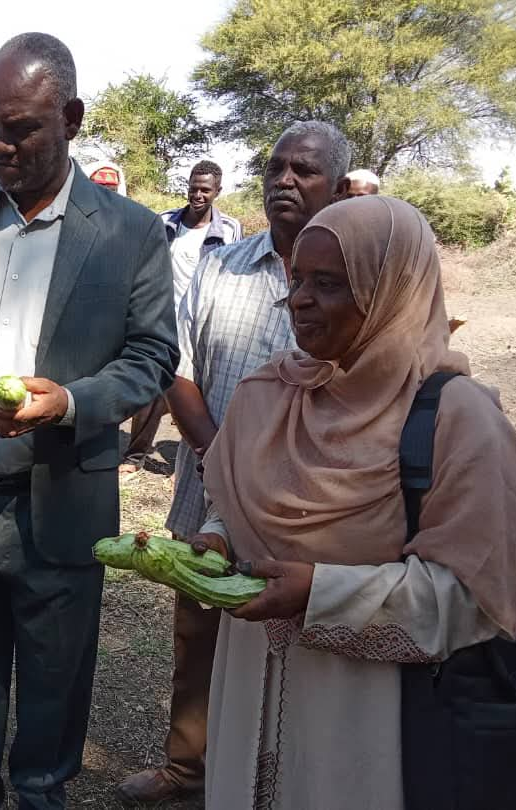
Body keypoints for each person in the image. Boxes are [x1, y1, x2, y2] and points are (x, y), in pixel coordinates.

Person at [0, 33, 178, 810]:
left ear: (72, 117)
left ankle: (41, 794)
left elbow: (152, 356)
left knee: (53, 698)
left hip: (59, 505)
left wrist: (71, 401)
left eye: (18, 126)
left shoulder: (130, 232)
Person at [196, 194, 516, 808]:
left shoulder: (461, 420)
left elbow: (469, 601)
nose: (299, 298)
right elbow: (236, 502)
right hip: (248, 700)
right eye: (297, 277)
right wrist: (217, 537)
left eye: (327, 284)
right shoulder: (269, 394)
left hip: (372, 729)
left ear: (391, 293)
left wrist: (319, 594)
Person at [115, 121, 350, 804]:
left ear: (337, 187)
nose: (284, 180)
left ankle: (278, 782)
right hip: (208, 482)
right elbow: (177, 366)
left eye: (303, 170)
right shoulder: (221, 265)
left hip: (314, 502)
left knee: (299, 643)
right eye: (276, 167)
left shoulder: (356, 283)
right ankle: (187, 768)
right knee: (200, 632)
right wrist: (222, 457)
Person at [120, 159, 241, 475]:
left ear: (217, 191)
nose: (198, 195)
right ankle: (135, 457)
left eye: (205, 190)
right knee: (153, 386)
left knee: (195, 390)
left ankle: (202, 459)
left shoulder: (229, 229)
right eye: (194, 187)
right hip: (164, 319)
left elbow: (234, 275)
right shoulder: (164, 221)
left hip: (203, 325)